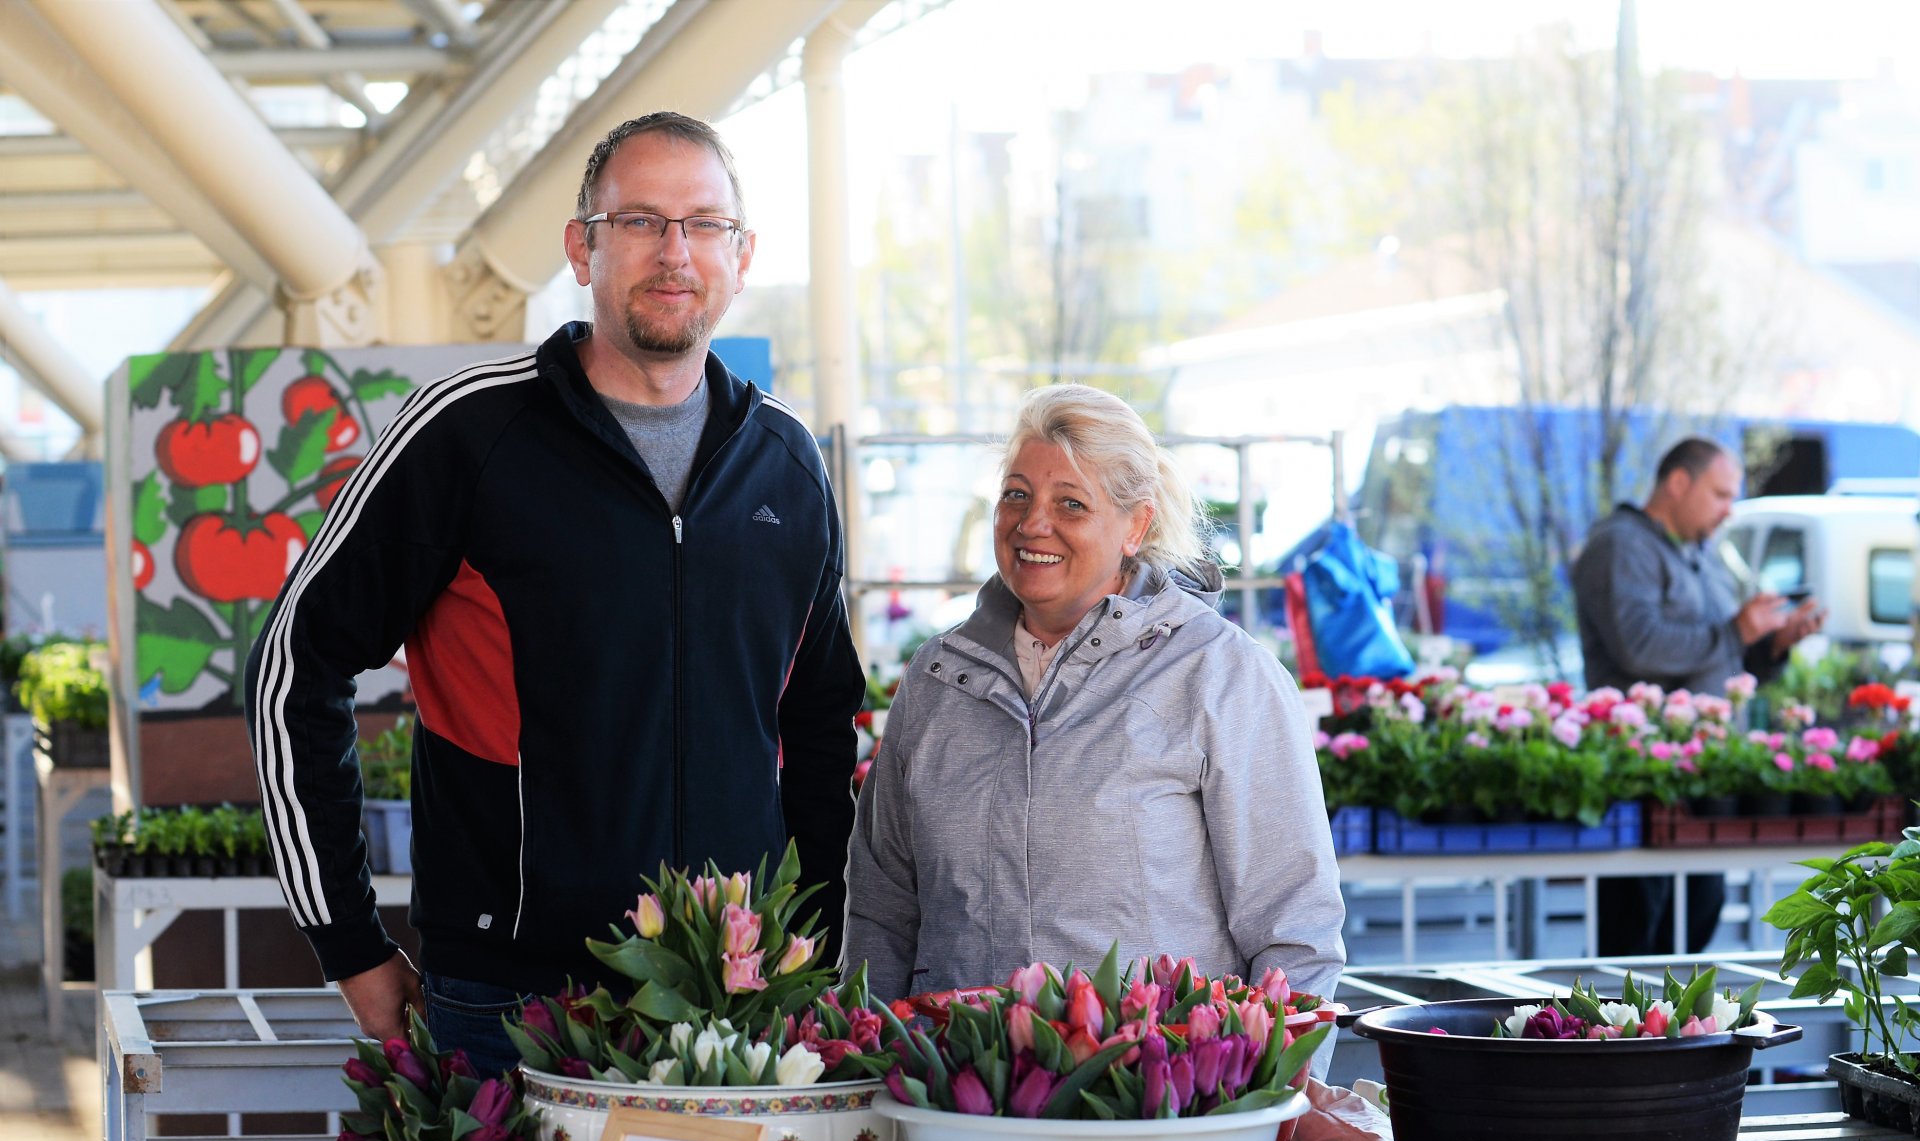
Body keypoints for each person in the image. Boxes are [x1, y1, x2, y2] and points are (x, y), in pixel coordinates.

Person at [245, 112, 863, 1075]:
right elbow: (294, 667)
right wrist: (349, 944)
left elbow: (822, 727)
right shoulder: (468, 433)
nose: (675, 253)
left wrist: (813, 949)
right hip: (512, 1000)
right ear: (582, 247)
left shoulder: (786, 463)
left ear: (741, 258)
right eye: (641, 222)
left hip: (734, 998)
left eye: (705, 225)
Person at [843, 384, 1346, 1009]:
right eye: (1016, 495)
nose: (1033, 523)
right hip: (953, 1087)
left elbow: (1295, 929)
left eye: (1071, 504)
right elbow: (883, 906)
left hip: (1153, 1095)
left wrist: (1274, 1098)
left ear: (1137, 525)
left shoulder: (1221, 674)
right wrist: (869, 1067)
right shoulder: (939, 678)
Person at [1572, 437, 1825, 955]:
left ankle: (1670, 1032)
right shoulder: (1620, 544)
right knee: (1635, 935)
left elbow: (1717, 656)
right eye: (1720, 495)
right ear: (1678, 482)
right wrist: (1736, 632)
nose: (1729, 511)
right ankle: (1619, 1036)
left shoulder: (1703, 555)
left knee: (1699, 912)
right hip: (1642, 776)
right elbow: (1639, 645)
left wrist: (1770, 644)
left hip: (1701, 776)